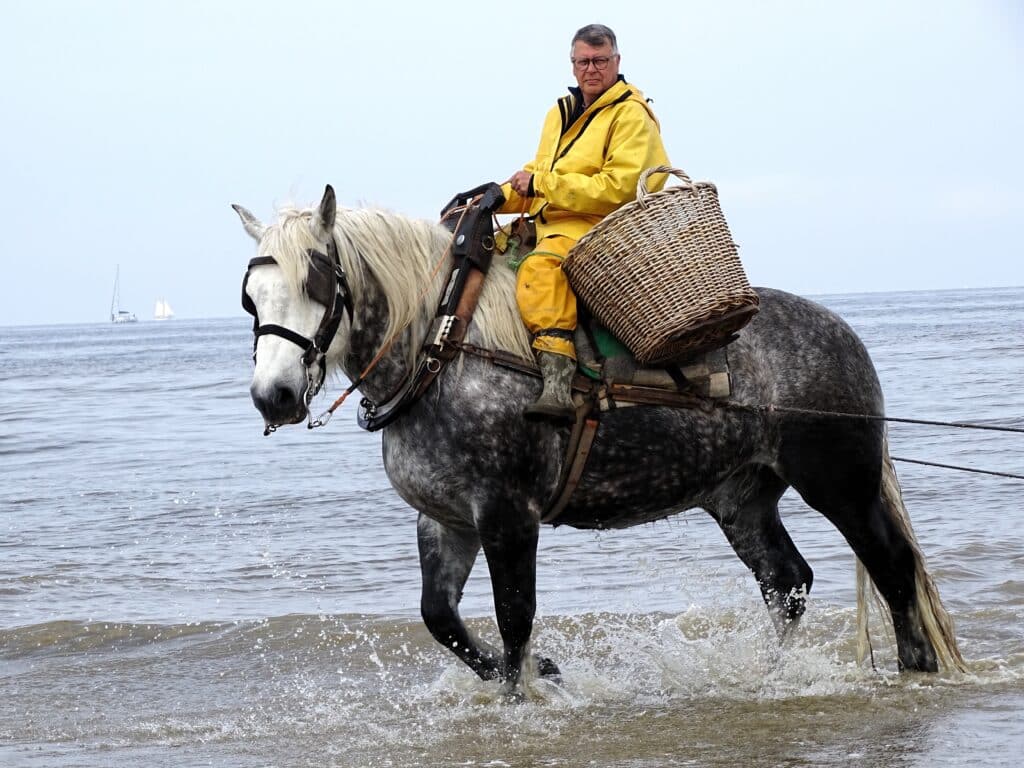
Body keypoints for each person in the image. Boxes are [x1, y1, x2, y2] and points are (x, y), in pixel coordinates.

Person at [497, 23, 670, 424]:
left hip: (603, 226)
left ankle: (557, 383)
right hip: (553, 220)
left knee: (541, 268)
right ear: (572, 65)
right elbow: (537, 175)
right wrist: (493, 198)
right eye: (583, 62)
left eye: (600, 60)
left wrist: (543, 183)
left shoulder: (630, 114)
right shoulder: (558, 113)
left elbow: (619, 187)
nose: (591, 69)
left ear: (617, 62)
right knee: (482, 252)